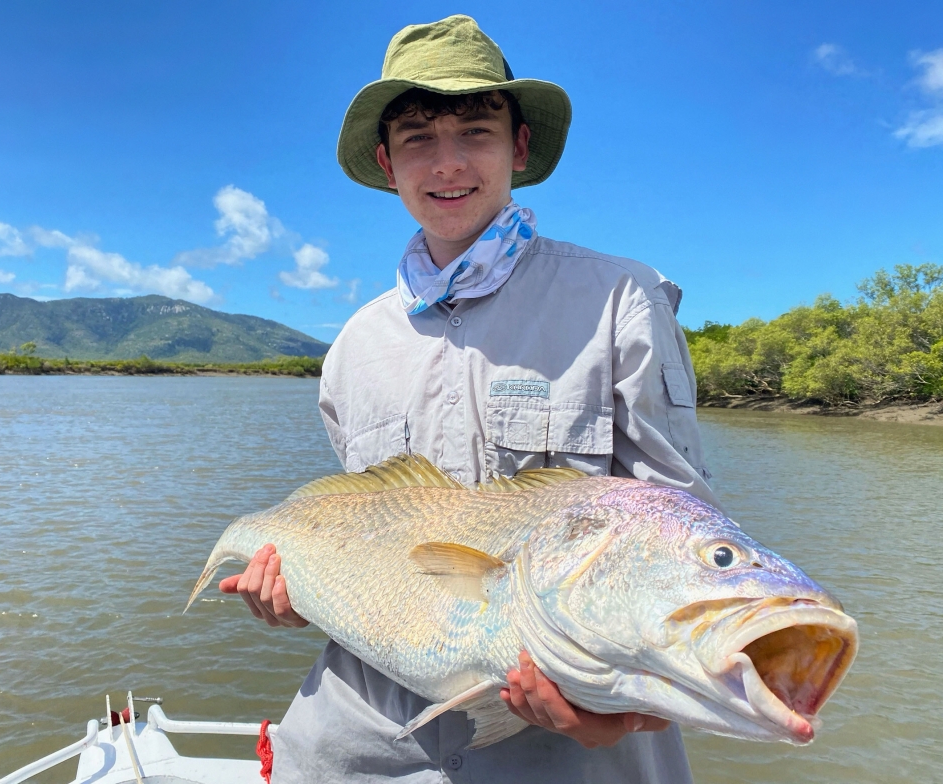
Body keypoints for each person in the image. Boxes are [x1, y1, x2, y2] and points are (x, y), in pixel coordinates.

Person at [219, 14, 718, 783]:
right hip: (354, 751)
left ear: (518, 146)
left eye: (476, 131)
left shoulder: (622, 298)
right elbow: (361, 540)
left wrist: (625, 711)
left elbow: (683, 562)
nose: (447, 163)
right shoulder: (352, 346)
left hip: (571, 760)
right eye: (417, 137)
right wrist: (292, 596)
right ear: (387, 163)